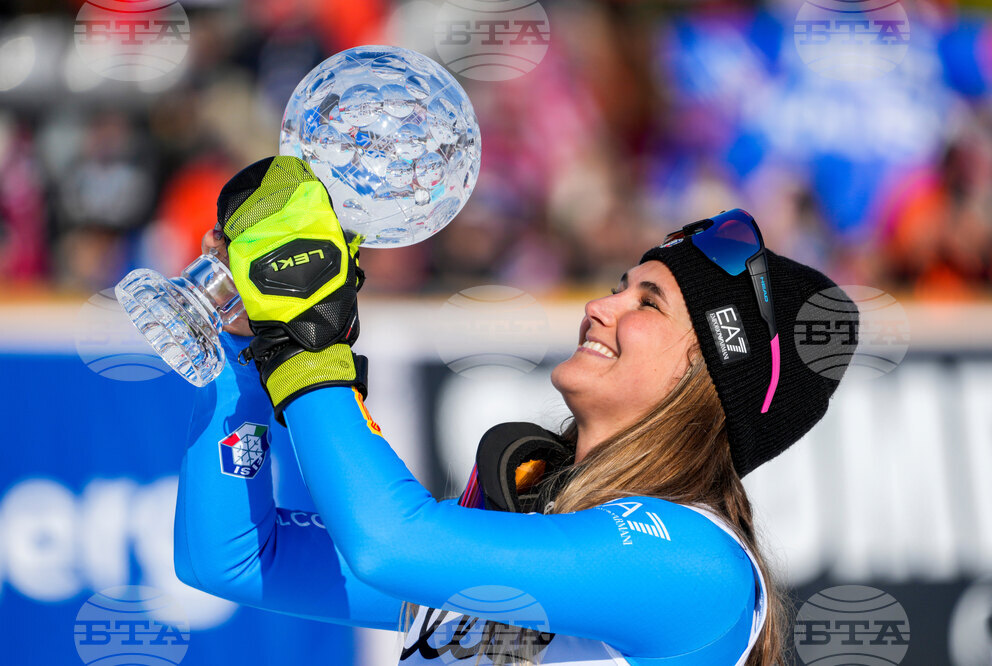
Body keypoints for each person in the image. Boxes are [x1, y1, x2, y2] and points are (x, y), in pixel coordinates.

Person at [174, 156, 856, 665]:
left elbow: (388, 541)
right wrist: (249, 349)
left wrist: (309, 344)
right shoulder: (533, 537)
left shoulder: (696, 562)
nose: (601, 306)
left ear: (708, 380)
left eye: (647, 304)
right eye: (622, 286)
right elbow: (230, 557)